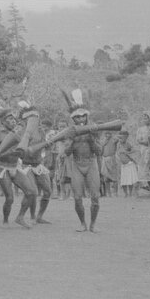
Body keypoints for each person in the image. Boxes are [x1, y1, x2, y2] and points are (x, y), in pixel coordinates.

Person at [0, 107, 36, 229]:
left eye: (13, 118)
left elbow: (24, 150)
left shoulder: (20, 134)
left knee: (31, 192)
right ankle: (5, 221)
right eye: (9, 119)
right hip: (2, 168)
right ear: (2, 122)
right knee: (9, 198)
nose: (13, 121)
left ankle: (20, 217)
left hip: (15, 167)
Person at [62, 99, 103, 232]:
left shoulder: (94, 129)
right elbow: (67, 152)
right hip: (77, 164)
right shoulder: (69, 131)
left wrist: (91, 139)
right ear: (73, 118)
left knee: (95, 197)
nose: (80, 119)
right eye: (77, 116)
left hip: (91, 163)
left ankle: (93, 224)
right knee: (78, 197)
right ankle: (82, 223)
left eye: (83, 116)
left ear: (87, 116)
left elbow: (99, 151)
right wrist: (73, 140)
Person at [116, 130, 138, 197]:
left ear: (126, 137)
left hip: (129, 164)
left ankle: (130, 193)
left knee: (130, 180)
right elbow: (118, 153)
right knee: (123, 180)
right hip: (122, 165)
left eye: (123, 138)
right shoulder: (118, 144)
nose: (121, 139)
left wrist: (128, 152)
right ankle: (126, 193)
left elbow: (134, 151)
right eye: (120, 138)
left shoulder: (128, 144)